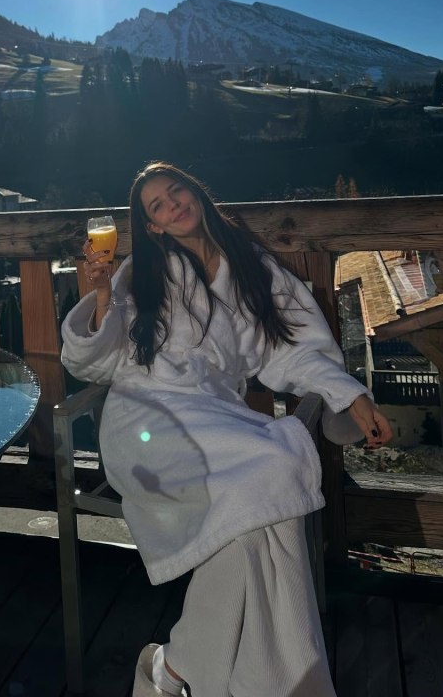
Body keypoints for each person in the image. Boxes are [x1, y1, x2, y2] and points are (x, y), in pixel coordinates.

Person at [60, 162, 392, 697]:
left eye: (176, 192)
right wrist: (101, 296)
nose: (173, 205)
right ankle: (283, 682)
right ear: (153, 228)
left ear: (195, 193)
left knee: (265, 494)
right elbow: (93, 365)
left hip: (214, 418)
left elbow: (294, 347)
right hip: (146, 423)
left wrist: (347, 393)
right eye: (158, 206)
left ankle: (180, 670)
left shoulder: (252, 266)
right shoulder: (140, 274)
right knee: (272, 475)